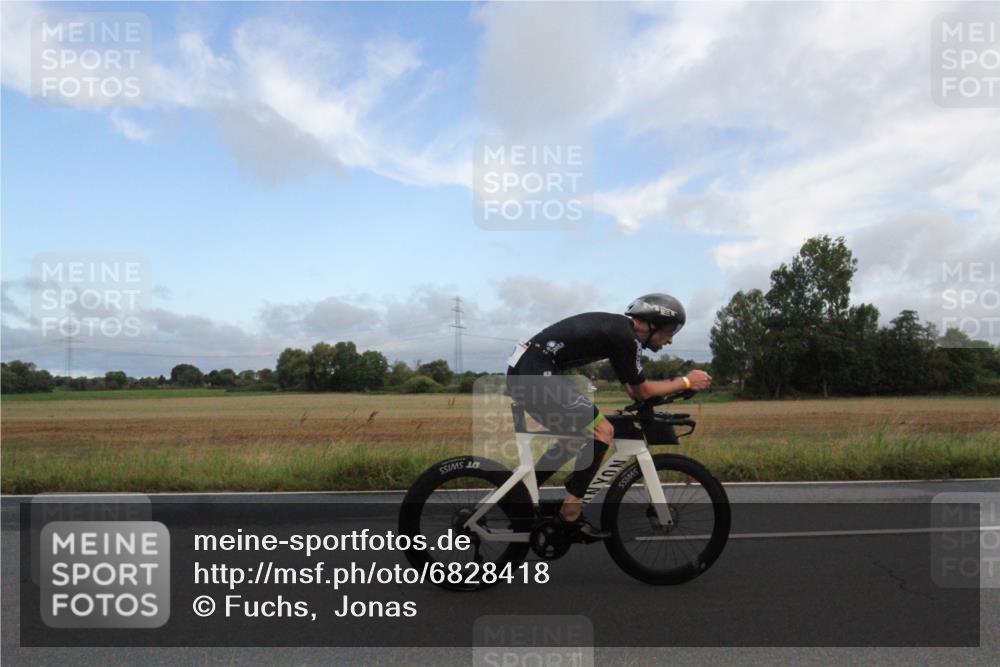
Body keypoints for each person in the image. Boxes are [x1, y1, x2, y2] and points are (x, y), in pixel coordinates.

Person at [505, 293, 712, 540]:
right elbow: (643, 390)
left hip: (529, 370)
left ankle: (521, 495)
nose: (669, 340)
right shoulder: (625, 336)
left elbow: (635, 390)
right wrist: (686, 381)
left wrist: (667, 394)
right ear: (653, 323)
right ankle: (571, 511)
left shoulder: (620, 335)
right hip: (535, 371)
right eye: (670, 331)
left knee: (575, 437)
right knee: (603, 430)